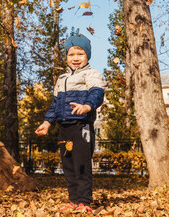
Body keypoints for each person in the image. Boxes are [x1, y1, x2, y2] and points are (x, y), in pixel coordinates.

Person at [35, 34, 105, 213]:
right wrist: (47, 123)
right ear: (66, 56)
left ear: (87, 56)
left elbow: (97, 93)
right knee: (68, 166)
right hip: (64, 128)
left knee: (82, 164)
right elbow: (55, 104)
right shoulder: (62, 79)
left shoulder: (91, 74)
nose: (75, 58)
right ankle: (74, 200)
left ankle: (85, 201)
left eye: (80, 54)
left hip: (81, 126)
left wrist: (87, 106)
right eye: (71, 54)